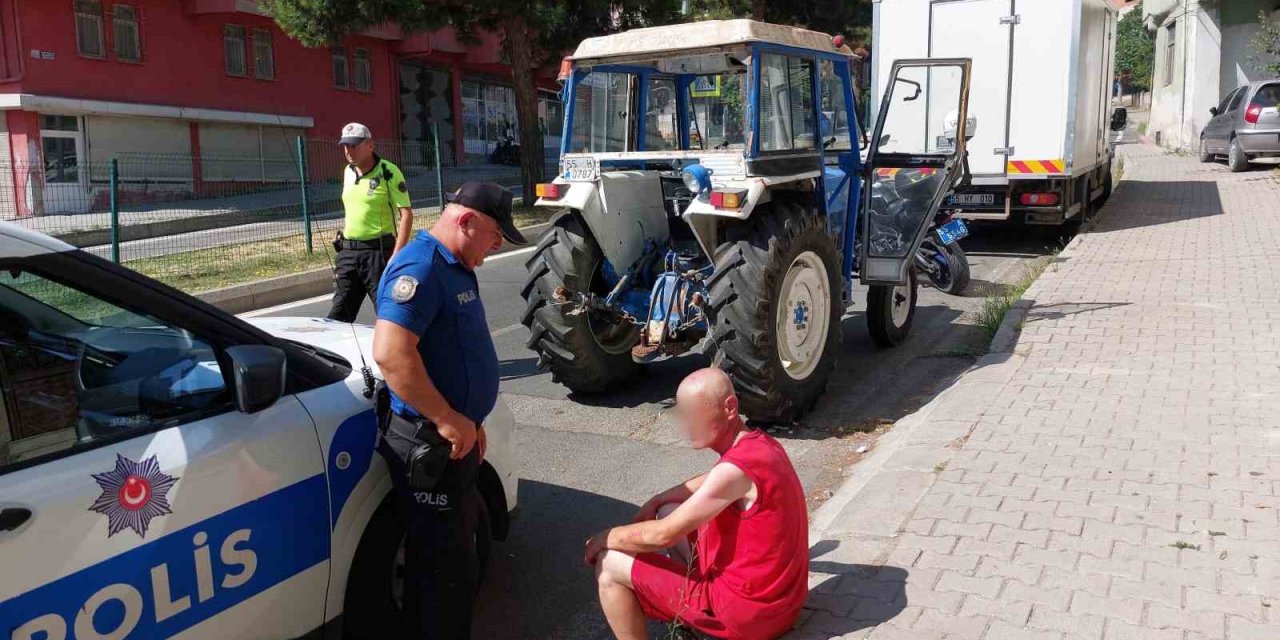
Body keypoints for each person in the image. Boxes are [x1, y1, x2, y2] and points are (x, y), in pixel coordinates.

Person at [371, 181, 527, 638]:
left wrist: (470, 421)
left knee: (453, 565)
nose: (499, 244)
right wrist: (446, 418)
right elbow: (392, 354)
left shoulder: (455, 265)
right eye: (496, 234)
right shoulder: (420, 267)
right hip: (428, 441)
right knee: (441, 574)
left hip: (454, 439)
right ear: (466, 221)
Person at [585, 368, 810, 640]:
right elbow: (711, 479)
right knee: (669, 509)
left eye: (693, 413)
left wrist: (604, 538)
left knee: (609, 564)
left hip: (750, 618)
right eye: (682, 413)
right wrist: (658, 500)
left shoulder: (733, 472)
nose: (686, 424)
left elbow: (662, 535)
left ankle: (697, 616)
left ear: (729, 408)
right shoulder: (761, 446)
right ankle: (689, 625)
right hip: (782, 604)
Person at [328, 122, 415, 322]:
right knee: (338, 316)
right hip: (348, 253)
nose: (348, 151)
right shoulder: (348, 172)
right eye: (345, 146)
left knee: (390, 315)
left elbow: (406, 214)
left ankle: (411, 352)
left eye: (354, 145)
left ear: (370, 145)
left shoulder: (388, 172)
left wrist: (397, 254)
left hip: (378, 254)